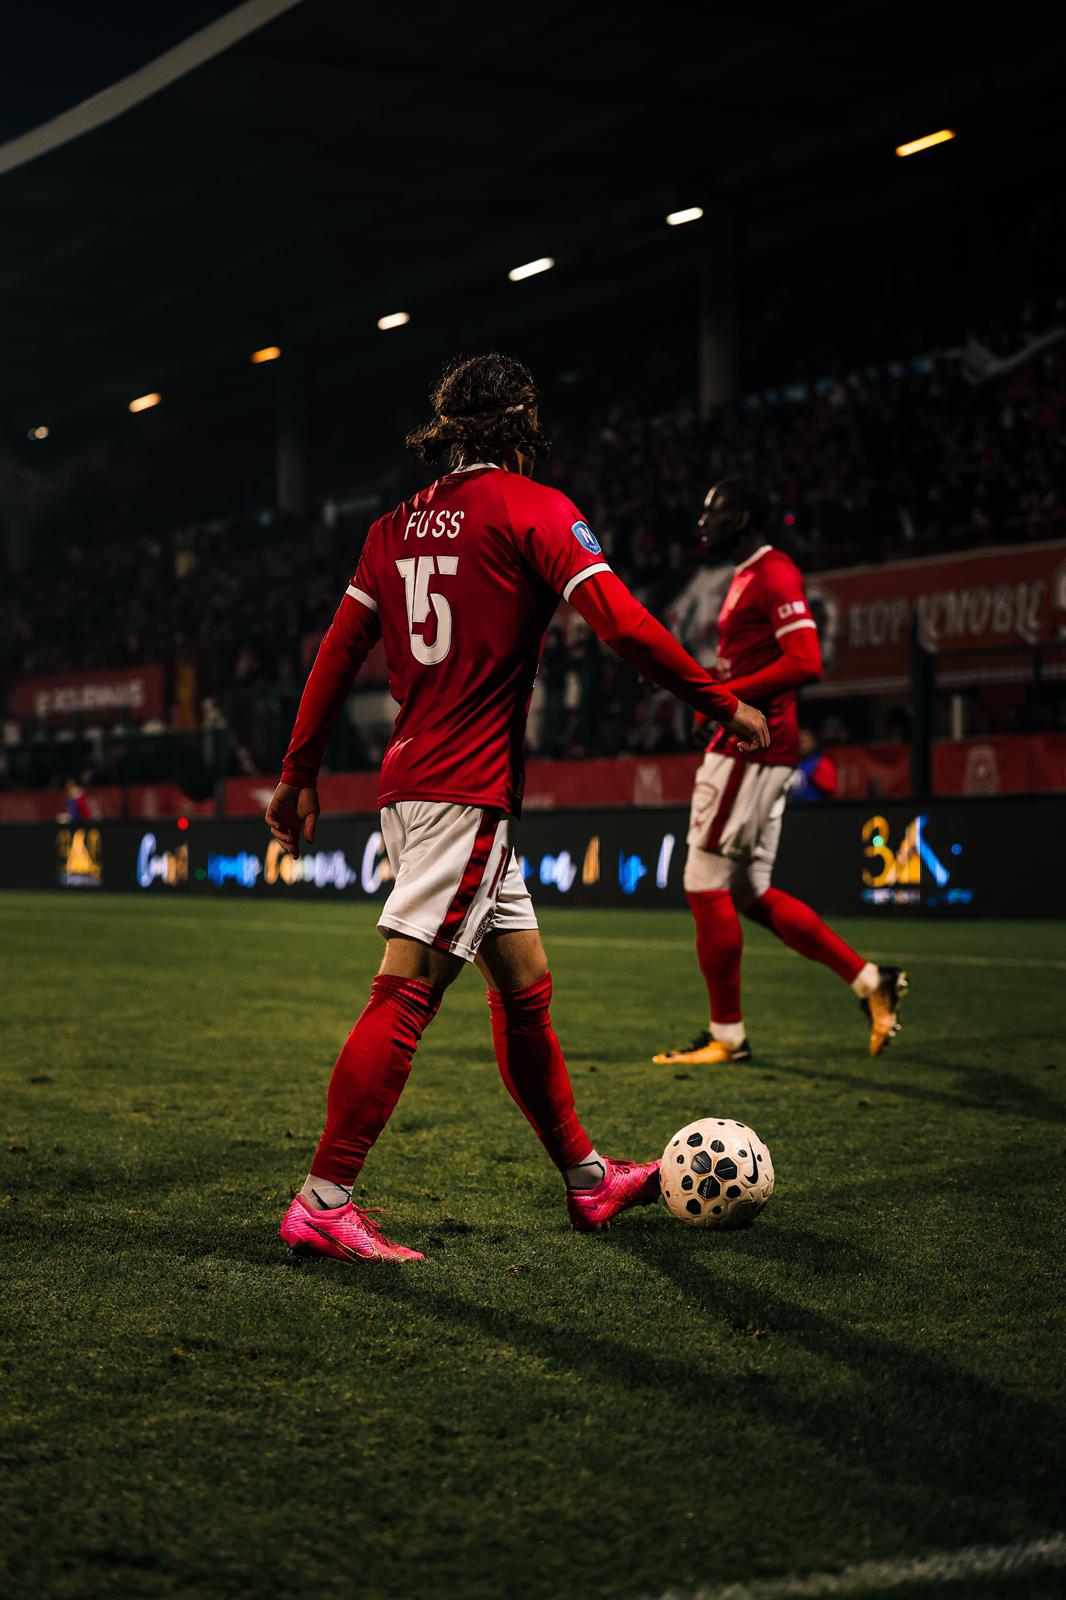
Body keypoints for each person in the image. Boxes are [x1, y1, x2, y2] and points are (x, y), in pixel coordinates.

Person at [265, 356, 769, 1264]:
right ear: (524, 424)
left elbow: (337, 651)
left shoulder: (390, 529)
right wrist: (719, 700)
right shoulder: (533, 509)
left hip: (412, 782)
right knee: (407, 990)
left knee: (525, 985)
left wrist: (298, 772)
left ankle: (587, 1179)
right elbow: (620, 624)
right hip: (466, 789)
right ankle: (324, 1199)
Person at [651, 477, 908, 1069]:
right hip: (751, 742)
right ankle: (871, 981)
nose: (702, 522)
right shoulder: (746, 575)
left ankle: (728, 1036)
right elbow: (752, 662)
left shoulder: (773, 573)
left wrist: (721, 700)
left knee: (704, 881)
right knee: (749, 891)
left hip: (754, 748)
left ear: (742, 518)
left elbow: (805, 661)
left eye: (713, 512)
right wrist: (713, 698)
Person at [788, 728, 838, 803]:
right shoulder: (791, 762)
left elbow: (831, 788)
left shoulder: (821, 762)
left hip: (814, 807)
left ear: (814, 742)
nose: (802, 744)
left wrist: (815, 777)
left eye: (805, 740)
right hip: (793, 806)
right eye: (799, 741)